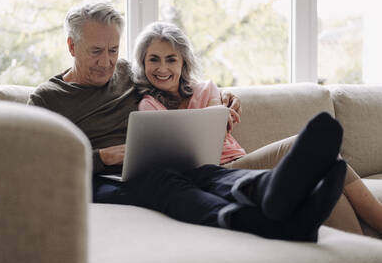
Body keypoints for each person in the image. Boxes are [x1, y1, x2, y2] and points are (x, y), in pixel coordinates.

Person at [28, 1, 348, 242]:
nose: (107, 62)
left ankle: (266, 190)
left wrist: (225, 98)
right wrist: (104, 156)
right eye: (96, 51)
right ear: (71, 46)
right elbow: (40, 167)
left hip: (148, 163)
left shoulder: (126, 72)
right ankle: (259, 221)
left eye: (113, 50)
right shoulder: (48, 98)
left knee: (205, 172)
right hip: (100, 181)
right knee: (164, 183)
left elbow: (176, 85)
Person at [132, 21, 382, 236]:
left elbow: (218, 125)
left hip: (242, 163)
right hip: (213, 177)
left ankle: (364, 258)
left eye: (170, 59)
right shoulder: (149, 105)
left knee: (322, 171)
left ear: (183, 61)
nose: (162, 68)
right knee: (302, 146)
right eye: (154, 59)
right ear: (143, 62)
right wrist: (216, 113)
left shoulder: (205, 89)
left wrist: (219, 111)